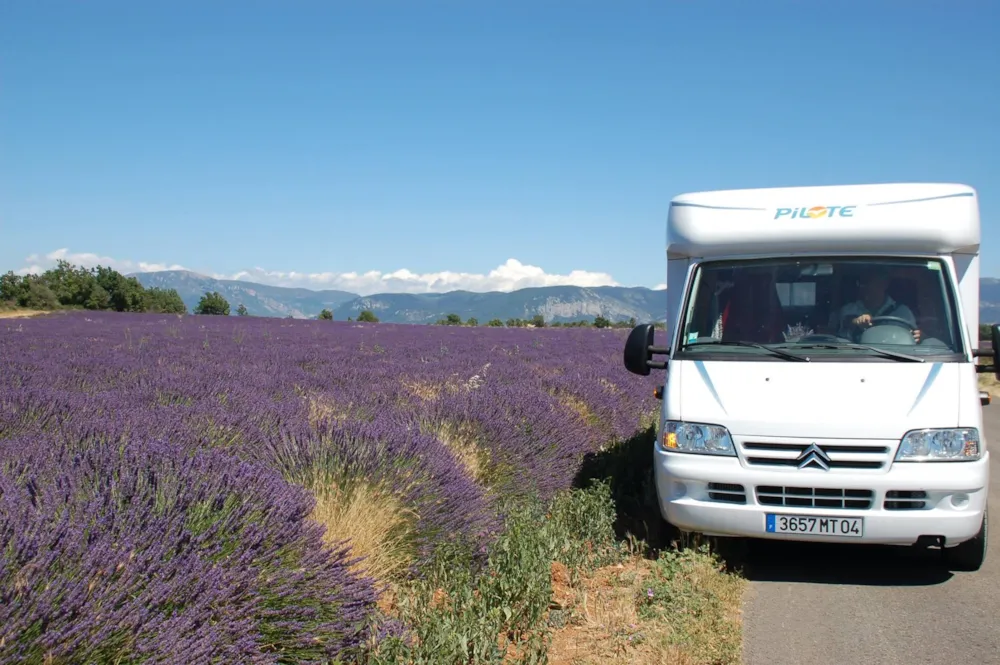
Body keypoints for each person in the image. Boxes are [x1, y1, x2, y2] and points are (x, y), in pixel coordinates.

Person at [834, 270, 921, 343]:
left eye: (870, 282)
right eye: (863, 283)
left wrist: (918, 336)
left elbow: (916, 337)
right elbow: (846, 322)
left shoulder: (902, 312)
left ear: (884, 284)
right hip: (854, 358)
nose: (865, 287)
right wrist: (857, 321)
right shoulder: (849, 309)